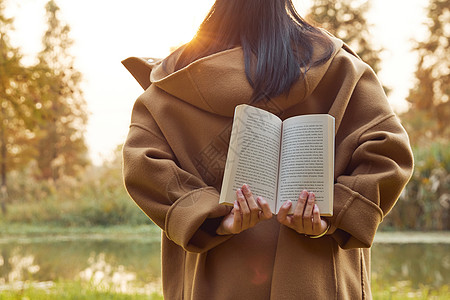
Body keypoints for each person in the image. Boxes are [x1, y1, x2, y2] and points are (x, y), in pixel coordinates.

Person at [122, 0, 414, 299]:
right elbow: (387, 152)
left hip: (213, 279)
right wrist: (332, 213)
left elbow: (143, 165)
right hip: (318, 278)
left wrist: (210, 215)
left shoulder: (173, 84)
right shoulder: (341, 70)